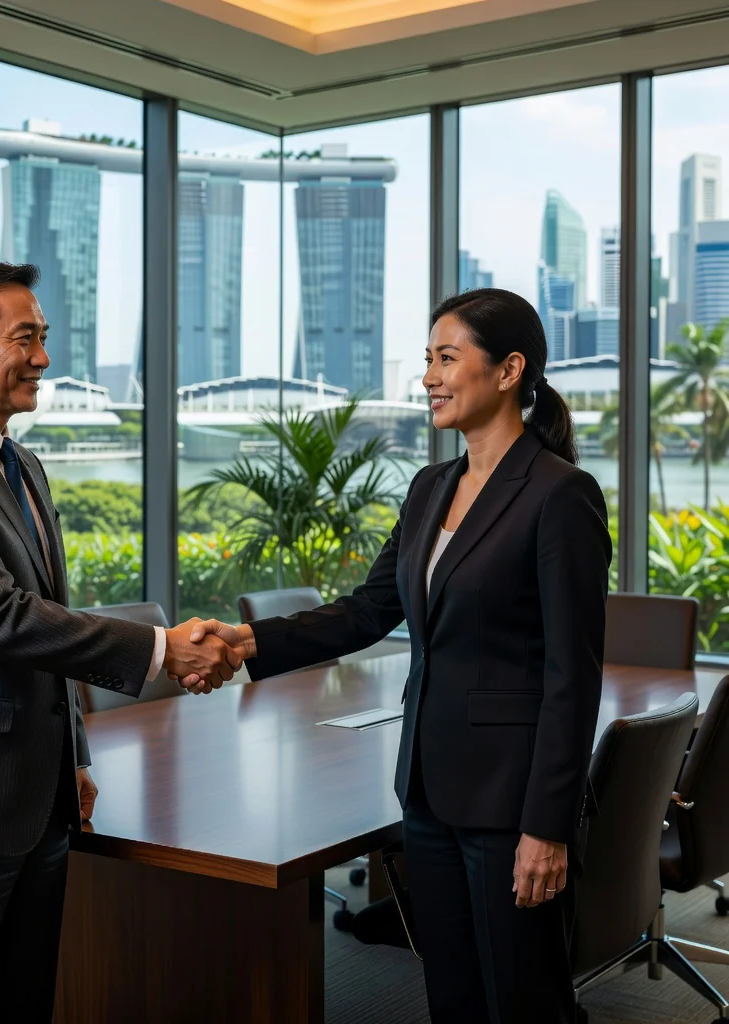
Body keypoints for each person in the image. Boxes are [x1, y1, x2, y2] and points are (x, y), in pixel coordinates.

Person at [185, 288, 612, 1024]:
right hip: (426, 787)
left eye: (447, 359)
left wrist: (548, 825)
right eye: (427, 360)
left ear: (509, 371)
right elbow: (367, 610)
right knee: (451, 995)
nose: (428, 379)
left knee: (525, 1001)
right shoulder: (429, 488)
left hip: (510, 803)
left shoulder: (559, 495)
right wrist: (244, 640)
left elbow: (572, 679)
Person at [0, 259, 241, 1024]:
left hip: (40, 796)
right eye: (24, 338)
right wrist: (164, 648)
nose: (43, 358)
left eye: (44, 338)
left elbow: (48, 619)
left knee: (23, 1005)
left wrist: (74, 758)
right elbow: (0, 618)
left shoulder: (22, 464)